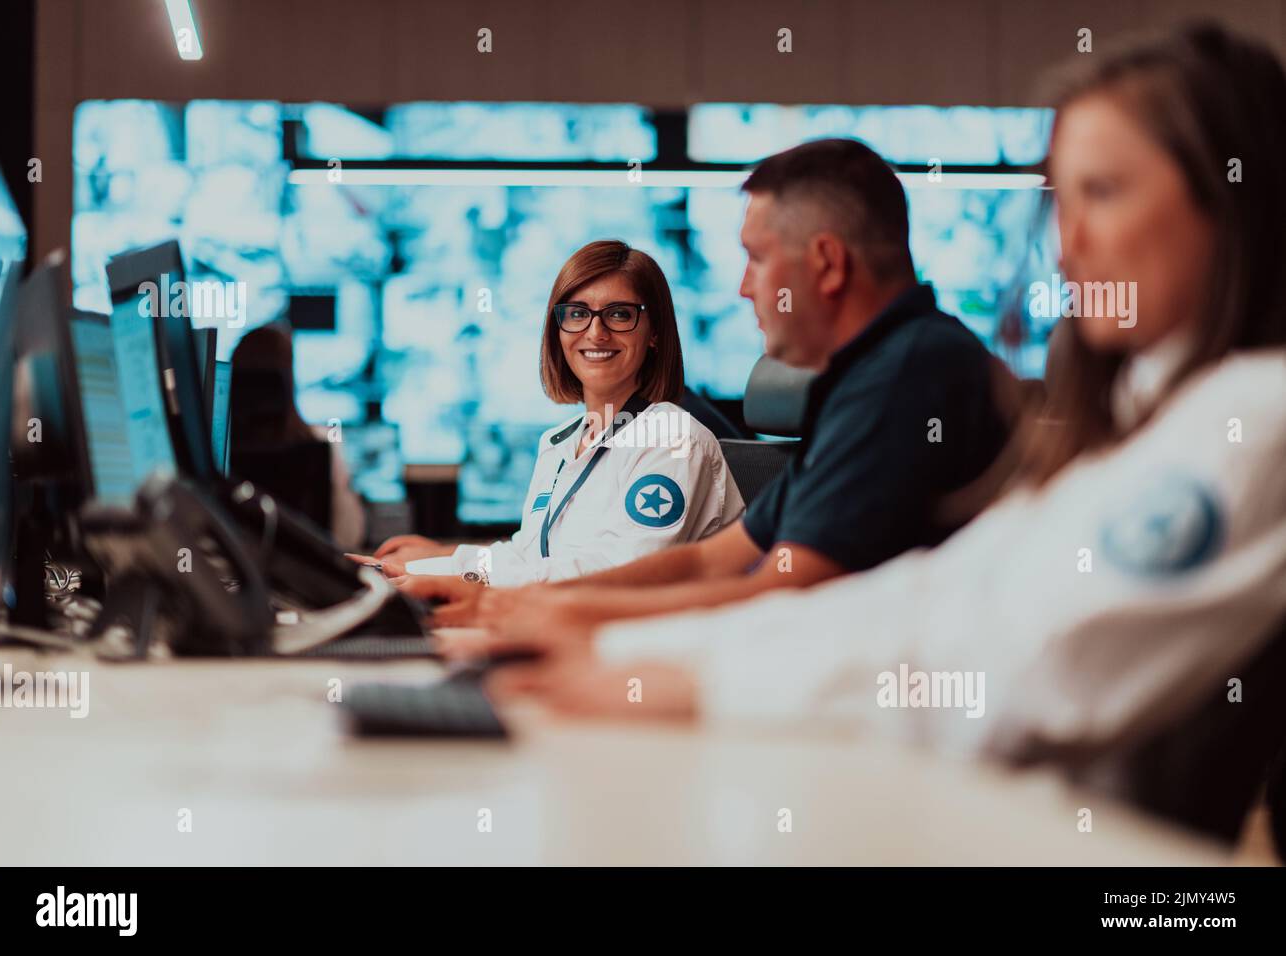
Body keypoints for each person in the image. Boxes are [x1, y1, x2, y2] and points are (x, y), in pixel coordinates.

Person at [476, 24, 1286, 764]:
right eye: (1063, 202)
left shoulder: (1250, 419)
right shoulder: (1149, 421)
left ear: (1231, 197)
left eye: (1103, 193)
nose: (1068, 247)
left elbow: (1015, 666)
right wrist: (614, 649)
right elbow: (925, 599)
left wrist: (667, 674)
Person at [406, 138, 1016, 631]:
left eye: (756, 257)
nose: (744, 288)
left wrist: (512, 607)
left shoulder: (909, 375)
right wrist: (508, 600)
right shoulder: (865, 379)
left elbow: (780, 593)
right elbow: (706, 560)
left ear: (827, 264)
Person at [358, 240, 744, 591]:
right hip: (574, 628)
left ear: (655, 332)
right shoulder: (560, 441)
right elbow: (530, 558)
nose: (596, 333)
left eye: (619, 315)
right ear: (557, 330)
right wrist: (430, 566)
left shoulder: (673, 439)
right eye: (577, 314)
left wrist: (458, 577)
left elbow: (618, 575)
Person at [229, 322, 366, 550]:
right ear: (288, 378)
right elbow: (349, 537)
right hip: (303, 577)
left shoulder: (209, 452)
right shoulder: (322, 444)